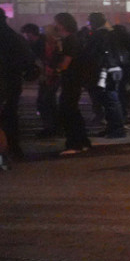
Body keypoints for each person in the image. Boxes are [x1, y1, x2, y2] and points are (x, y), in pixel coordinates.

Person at [53, 13, 93, 156]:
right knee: (73, 112)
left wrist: (56, 70)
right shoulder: (75, 38)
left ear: (62, 24)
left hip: (71, 80)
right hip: (76, 80)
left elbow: (66, 63)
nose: (55, 26)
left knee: (67, 111)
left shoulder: (70, 40)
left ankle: (74, 143)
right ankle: (83, 142)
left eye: (56, 23)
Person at [0, 8, 36, 163]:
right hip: (12, 82)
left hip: (5, 80)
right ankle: (13, 147)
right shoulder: (15, 37)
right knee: (11, 115)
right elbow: (28, 61)